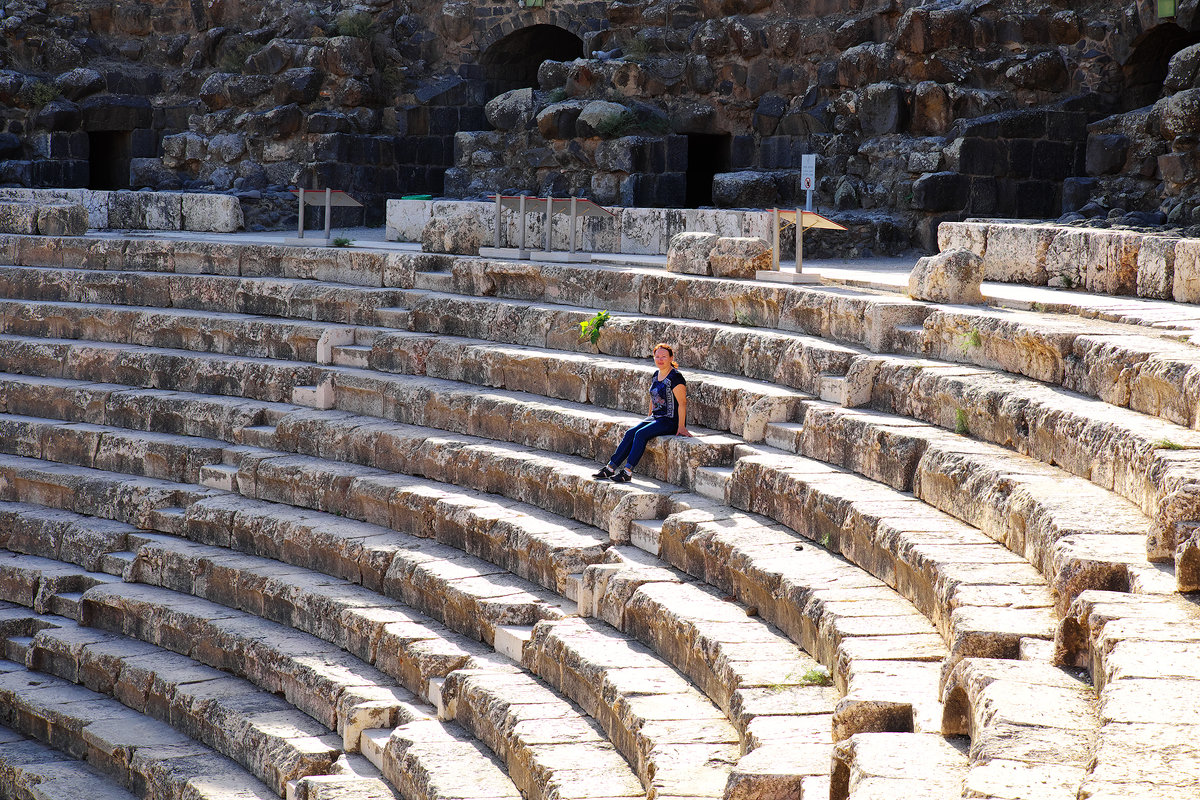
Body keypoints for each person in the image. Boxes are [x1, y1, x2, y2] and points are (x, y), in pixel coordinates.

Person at [594, 342, 691, 483]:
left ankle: (627, 472)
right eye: (657, 357)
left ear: (671, 357)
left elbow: (682, 403)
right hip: (656, 418)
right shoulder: (656, 374)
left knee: (640, 434)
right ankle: (610, 468)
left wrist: (681, 427)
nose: (660, 359)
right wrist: (649, 416)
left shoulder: (676, 377)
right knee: (630, 433)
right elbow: (653, 396)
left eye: (664, 356)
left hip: (670, 420)